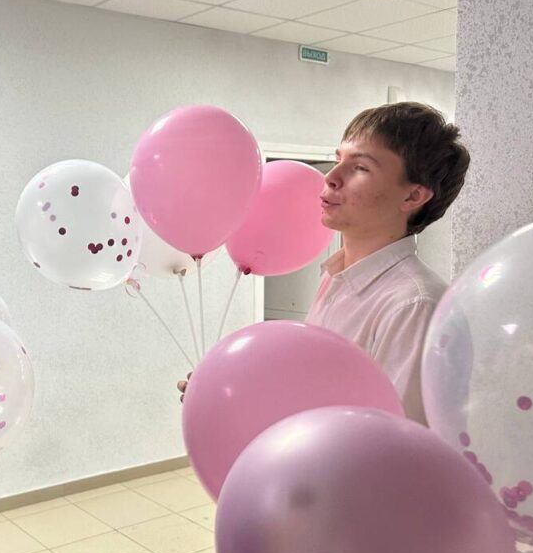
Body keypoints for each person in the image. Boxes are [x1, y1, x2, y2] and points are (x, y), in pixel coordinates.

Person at [180, 102, 470, 425]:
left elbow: (393, 441)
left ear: (413, 197)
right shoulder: (336, 277)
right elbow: (316, 397)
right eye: (338, 160)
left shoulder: (415, 305)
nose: (331, 177)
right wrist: (230, 395)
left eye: (361, 168)